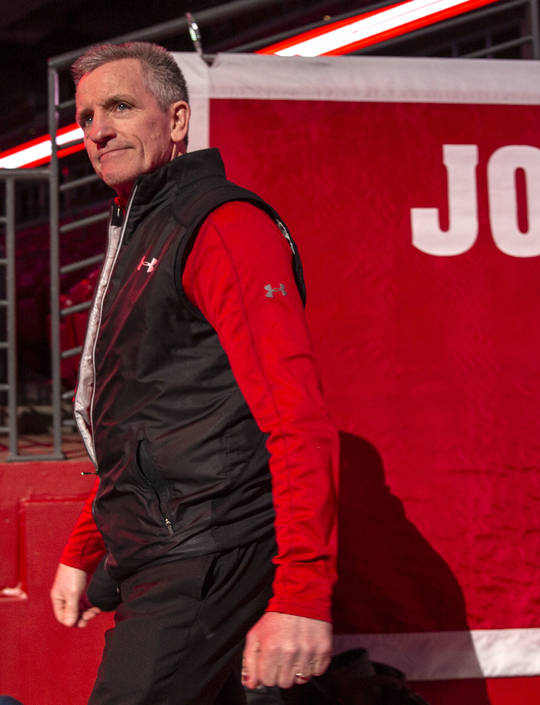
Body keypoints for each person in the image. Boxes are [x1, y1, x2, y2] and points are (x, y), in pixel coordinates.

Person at [47, 41, 339, 705]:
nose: (98, 129)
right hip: (165, 554)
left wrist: (302, 592)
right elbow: (145, 419)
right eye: (87, 115)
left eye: (120, 105)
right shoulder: (142, 230)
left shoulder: (220, 224)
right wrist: (84, 547)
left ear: (176, 121)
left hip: (211, 552)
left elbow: (296, 413)